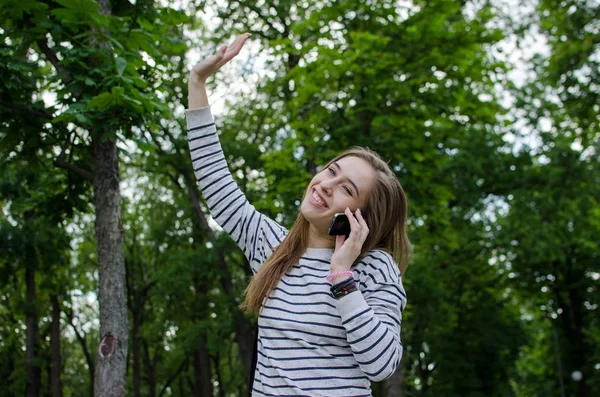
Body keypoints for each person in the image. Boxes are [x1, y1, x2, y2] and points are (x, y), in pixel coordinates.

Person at [186, 33, 409, 397]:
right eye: (331, 170)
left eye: (347, 189)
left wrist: (341, 276)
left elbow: (381, 366)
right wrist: (198, 81)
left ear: (362, 218)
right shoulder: (270, 244)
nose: (325, 183)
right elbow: (214, 179)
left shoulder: (374, 267)